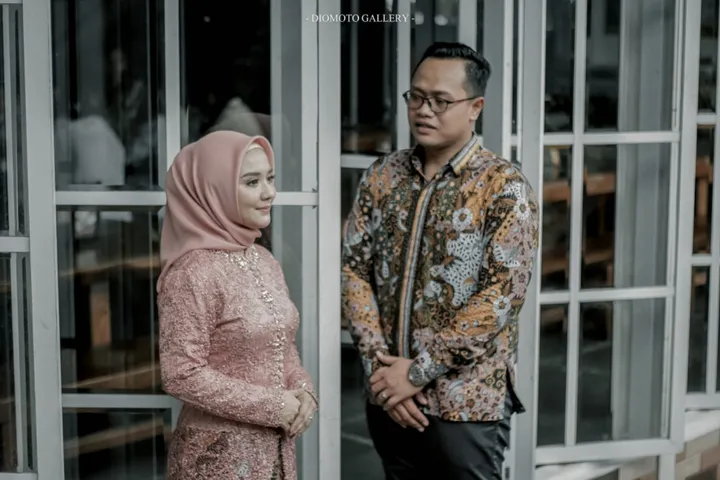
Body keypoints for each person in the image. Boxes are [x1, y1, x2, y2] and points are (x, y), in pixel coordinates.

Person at [341, 42, 539, 479]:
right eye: (416, 97)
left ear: (475, 108)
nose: (424, 110)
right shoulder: (382, 176)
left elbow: (499, 298)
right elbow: (354, 270)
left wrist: (417, 373)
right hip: (388, 396)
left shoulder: (504, 187)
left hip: (464, 402)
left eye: (441, 101)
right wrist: (381, 371)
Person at [157, 131, 318, 480]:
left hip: (277, 453)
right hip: (218, 458)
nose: (268, 192)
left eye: (270, 178)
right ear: (214, 190)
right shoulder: (191, 273)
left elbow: (283, 345)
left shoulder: (264, 260)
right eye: (251, 182)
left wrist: (304, 390)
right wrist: (274, 406)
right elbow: (180, 373)